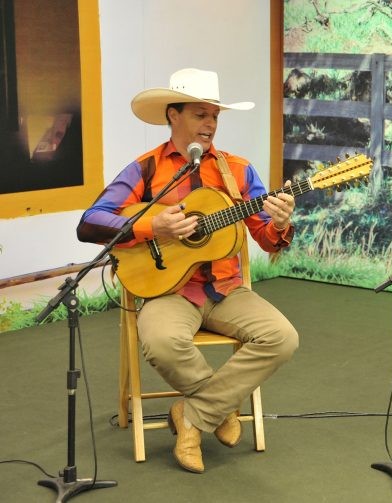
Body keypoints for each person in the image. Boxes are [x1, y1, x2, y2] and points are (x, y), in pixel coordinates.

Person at [77, 68, 299, 473]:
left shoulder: (238, 170)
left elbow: (266, 238)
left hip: (228, 290)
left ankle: (195, 415)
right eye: (200, 114)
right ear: (172, 115)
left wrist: (280, 223)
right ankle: (221, 408)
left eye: (215, 115)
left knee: (282, 337)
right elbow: (90, 222)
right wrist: (152, 225)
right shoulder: (145, 169)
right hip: (168, 292)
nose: (211, 123)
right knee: (161, 341)